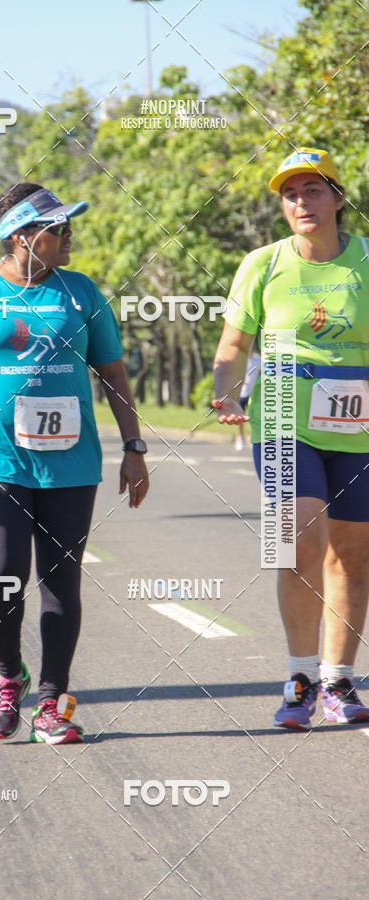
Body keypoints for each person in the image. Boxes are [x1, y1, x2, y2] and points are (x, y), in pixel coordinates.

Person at [0, 182, 149, 744]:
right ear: (21, 237)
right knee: (1, 578)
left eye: (68, 228)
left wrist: (135, 449)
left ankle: (51, 703)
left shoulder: (82, 294)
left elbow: (113, 375)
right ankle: (10, 677)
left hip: (71, 464)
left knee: (61, 582)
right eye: (58, 230)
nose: (70, 238)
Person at [213, 147, 369, 730]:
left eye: (313, 190)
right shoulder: (263, 264)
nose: (301, 202)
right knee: (298, 537)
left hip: (358, 416)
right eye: (290, 193)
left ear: (338, 197)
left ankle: (338, 680)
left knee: (352, 555)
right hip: (280, 408)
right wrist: (225, 389)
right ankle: (300, 678)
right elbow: (234, 346)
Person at [234, 340, 261, 451]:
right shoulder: (239, 359)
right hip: (241, 392)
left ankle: (252, 438)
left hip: (253, 392)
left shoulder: (257, 359)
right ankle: (240, 437)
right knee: (240, 417)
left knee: (252, 416)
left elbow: (261, 373)